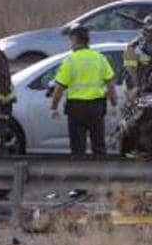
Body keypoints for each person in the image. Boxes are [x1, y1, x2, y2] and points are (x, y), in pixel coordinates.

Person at [49, 26, 117, 156]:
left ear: (75, 40)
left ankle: (80, 174)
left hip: (76, 109)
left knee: (77, 148)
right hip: (96, 107)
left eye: (71, 40)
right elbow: (110, 84)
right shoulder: (100, 58)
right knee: (99, 146)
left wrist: (54, 107)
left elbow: (59, 88)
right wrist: (114, 104)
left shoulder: (70, 61)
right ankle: (101, 175)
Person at [123, 14, 152, 100]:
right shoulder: (134, 46)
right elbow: (130, 68)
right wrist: (137, 86)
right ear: (146, 30)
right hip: (137, 89)